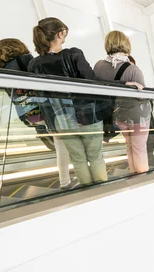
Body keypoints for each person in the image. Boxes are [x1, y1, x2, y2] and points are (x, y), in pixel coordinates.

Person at [28, 17, 110, 186]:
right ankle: (102, 192)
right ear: (60, 34)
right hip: (86, 116)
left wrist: (51, 125)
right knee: (95, 156)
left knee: (78, 160)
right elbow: (94, 81)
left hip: (61, 119)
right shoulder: (73, 54)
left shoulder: (34, 64)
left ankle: (89, 195)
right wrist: (124, 84)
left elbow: (41, 98)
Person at [0, 38, 74, 189]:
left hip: (30, 115)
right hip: (47, 111)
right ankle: (69, 179)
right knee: (68, 141)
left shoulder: (1, 70)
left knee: (60, 143)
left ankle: (65, 180)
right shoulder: (26, 60)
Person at [94, 31, 151, 174]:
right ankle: (143, 180)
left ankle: (134, 174)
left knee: (129, 146)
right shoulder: (132, 69)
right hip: (138, 116)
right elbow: (142, 96)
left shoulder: (99, 66)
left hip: (118, 115)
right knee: (139, 148)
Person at [129, 55, 154, 167]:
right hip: (134, 119)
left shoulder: (138, 77)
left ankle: (148, 168)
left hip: (145, 117)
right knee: (138, 147)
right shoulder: (126, 82)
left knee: (148, 144)